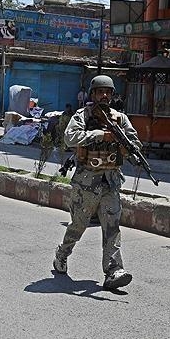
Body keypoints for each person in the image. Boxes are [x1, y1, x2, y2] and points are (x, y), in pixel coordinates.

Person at [52, 75, 140, 291]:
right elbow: (70, 138)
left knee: (112, 227)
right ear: (93, 94)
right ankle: (62, 253)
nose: (104, 95)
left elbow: (135, 143)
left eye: (108, 92)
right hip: (86, 184)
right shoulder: (82, 115)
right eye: (100, 92)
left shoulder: (120, 118)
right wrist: (99, 135)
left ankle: (113, 271)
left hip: (110, 182)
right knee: (78, 226)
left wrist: (127, 147)